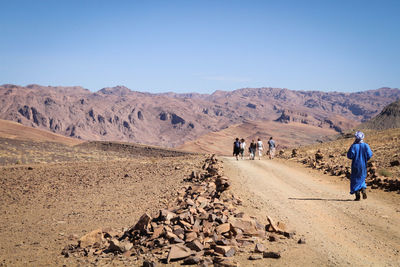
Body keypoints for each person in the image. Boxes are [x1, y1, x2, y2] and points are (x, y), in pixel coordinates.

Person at [347, 131, 373, 201]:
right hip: (363, 165)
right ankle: (363, 189)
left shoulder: (353, 146)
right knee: (362, 178)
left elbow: (349, 156)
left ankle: (357, 195)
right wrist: (365, 158)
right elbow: (370, 155)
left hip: (355, 165)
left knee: (355, 179)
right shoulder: (366, 145)